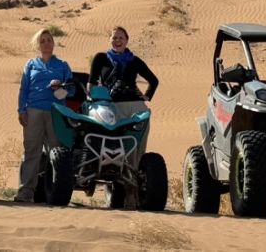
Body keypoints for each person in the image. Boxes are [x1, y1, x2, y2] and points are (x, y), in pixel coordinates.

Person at [15, 28, 75, 202]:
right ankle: (26, 192)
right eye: (43, 41)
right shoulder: (31, 65)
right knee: (32, 151)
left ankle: (56, 192)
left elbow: (72, 89)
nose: (47, 43)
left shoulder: (62, 65)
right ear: (37, 45)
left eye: (49, 40)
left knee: (57, 152)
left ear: (54, 43)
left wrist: (60, 86)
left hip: (57, 112)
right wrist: (21, 110)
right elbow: (24, 89)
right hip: (34, 111)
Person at [88, 26, 159, 157]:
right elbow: (91, 82)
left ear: (126, 41)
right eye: (114, 37)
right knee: (114, 143)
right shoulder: (100, 58)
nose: (117, 40)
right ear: (110, 39)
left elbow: (154, 81)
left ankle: (136, 173)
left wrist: (146, 96)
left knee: (137, 143)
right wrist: (92, 98)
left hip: (136, 108)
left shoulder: (134, 61)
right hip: (111, 107)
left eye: (121, 38)